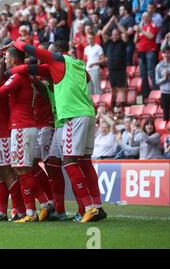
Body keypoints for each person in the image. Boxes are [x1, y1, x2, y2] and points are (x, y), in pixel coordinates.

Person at [12, 40, 105, 223]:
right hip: (83, 114)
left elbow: (34, 53)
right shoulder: (76, 65)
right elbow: (85, 78)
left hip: (72, 116)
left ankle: (88, 208)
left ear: (58, 53)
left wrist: (15, 43)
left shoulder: (59, 60)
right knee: (73, 163)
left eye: (51, 54)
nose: (48, 57)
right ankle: (92, 206)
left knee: (70, 161)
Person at [0, 46, 51, 222]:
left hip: (17, 127)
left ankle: (29, 210)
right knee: (19, 170)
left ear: (12, 60)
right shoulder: (16, 76)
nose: (3, 62)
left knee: (18, 171)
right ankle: (39, 206)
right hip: (16, 127)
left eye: (5, 59)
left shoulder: (14, 77)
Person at [155, 46, 170, 122]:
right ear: (162, 54)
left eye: (168, 53)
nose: (167, 55)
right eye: (165, 53)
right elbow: (157, 81)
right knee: (166, 115)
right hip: (164, 93)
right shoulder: (159, 66)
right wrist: (164, 78)